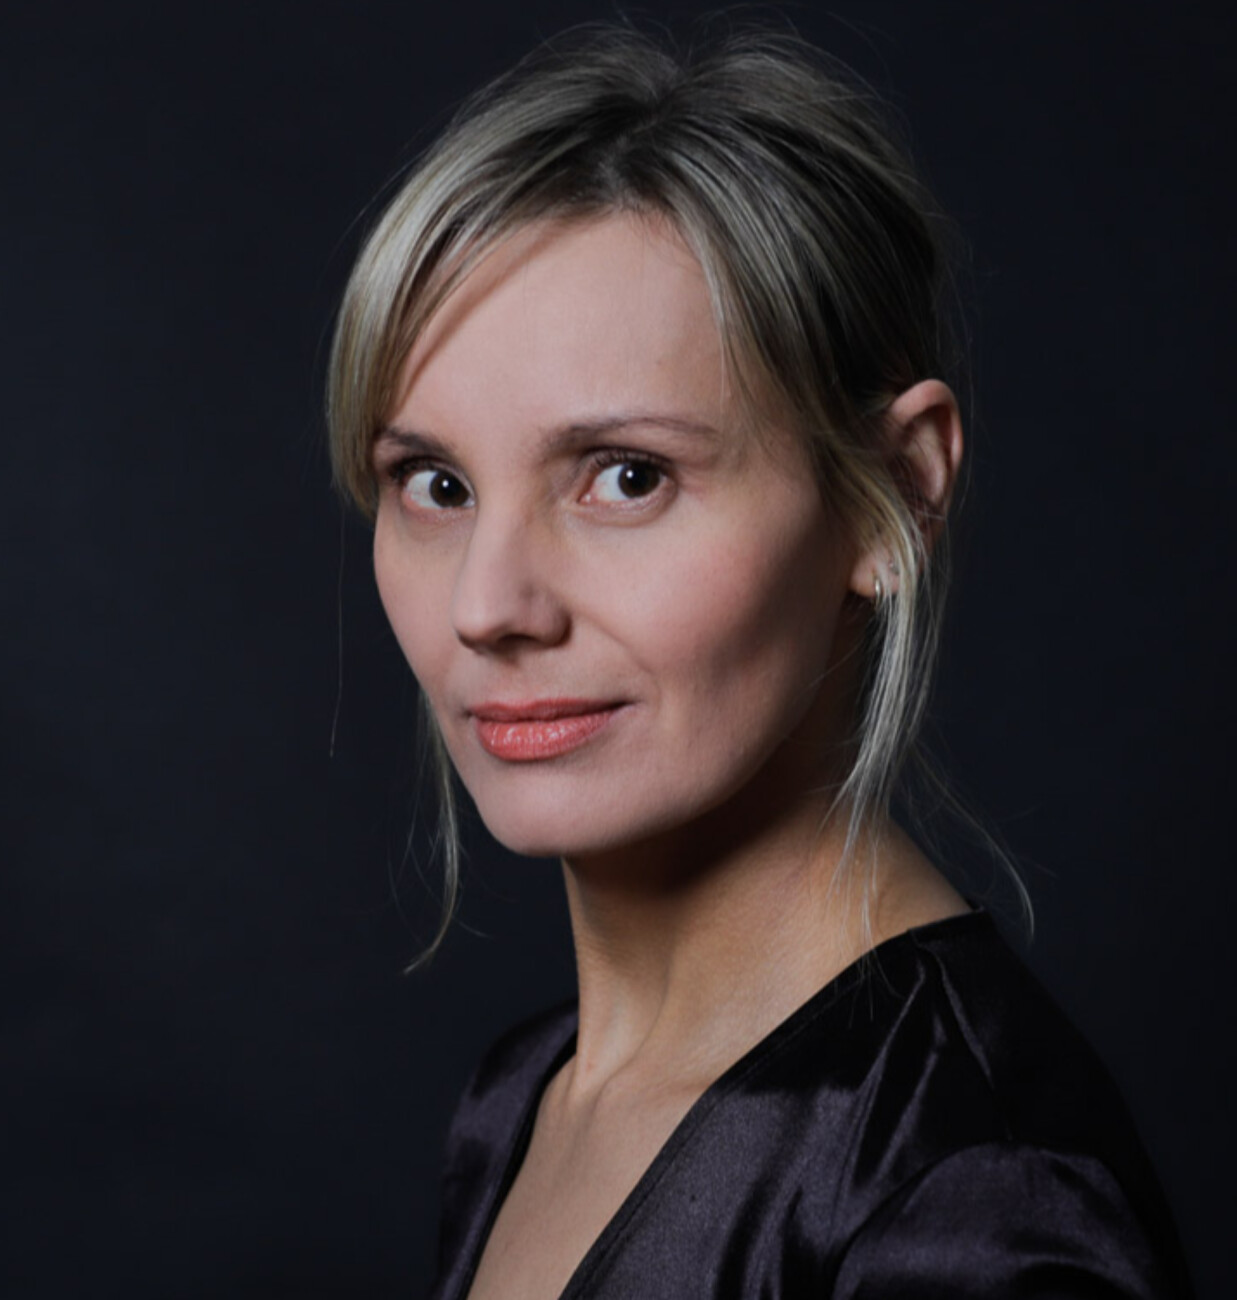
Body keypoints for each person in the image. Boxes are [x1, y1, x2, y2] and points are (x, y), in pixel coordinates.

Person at [327, 23, 1192, 1300]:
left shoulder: (965, 1193)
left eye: (627, 476)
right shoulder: (523, 1101)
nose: (487, 606)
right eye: (435, 483)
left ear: (893, 496)